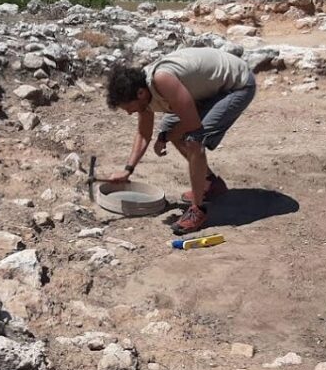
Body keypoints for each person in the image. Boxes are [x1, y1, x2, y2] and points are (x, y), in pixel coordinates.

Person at [105, 47, 256, 234]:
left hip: (237, 85)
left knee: (193, 141)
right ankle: (210, 184)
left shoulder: (162, 80)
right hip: (210, 89)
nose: (128, 112)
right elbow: (144, 134)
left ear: (140, 94)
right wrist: (128, 170)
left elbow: (193, 125)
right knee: (168, 129)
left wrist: (166, 138)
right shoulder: (142, 90)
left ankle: (198, 210)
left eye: (128, 107)